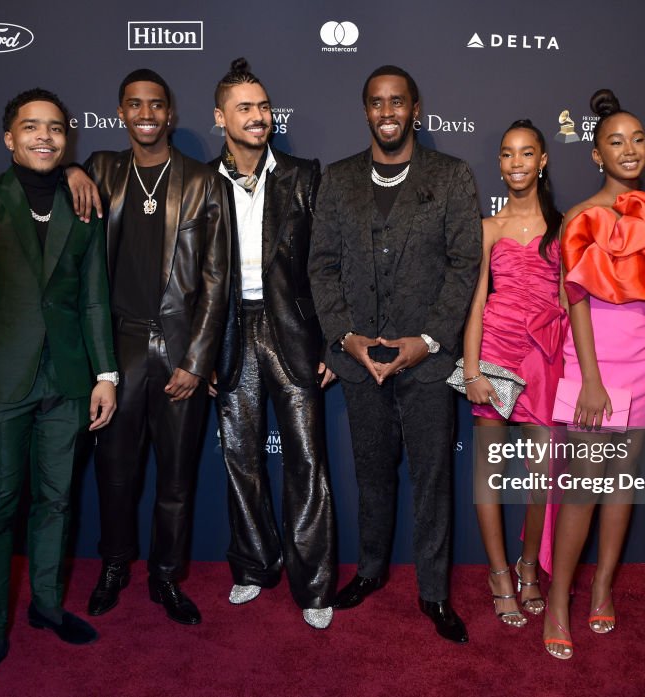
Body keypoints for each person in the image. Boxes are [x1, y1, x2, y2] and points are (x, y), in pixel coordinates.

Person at [0, 88, 118, 697]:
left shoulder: (84, 205)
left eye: (56, 128)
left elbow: (94, 297)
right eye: (31, 126)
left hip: (67, 382)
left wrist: (105, 374)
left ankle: (45, 604)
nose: (45, 136)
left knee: (56, 502)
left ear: (67, 138)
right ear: (8, 137)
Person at [309, 65, 481, 644]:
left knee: (433, 481)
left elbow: (464, 266)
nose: (387, 112)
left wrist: (429, 341)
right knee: (372, 475)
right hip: (359, 361)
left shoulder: (452, 177)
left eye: (397, 102)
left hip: (427, 362)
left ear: (415, 109)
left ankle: (434, 594)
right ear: (366, 112)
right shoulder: (337, 180)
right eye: (377, 103)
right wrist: (346, 338)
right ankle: (372, 570)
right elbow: (322, 266)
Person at [66, 69, 230, 625]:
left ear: (171, 114)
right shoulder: (101, 171)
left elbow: (215, 278)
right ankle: (114, 565)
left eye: (156, 105)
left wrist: (197, 359)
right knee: (115, 473)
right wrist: (68, 169)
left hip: (180, 349)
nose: (146, 114)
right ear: (120, 113)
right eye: (135, 104)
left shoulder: (203, 181)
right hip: (118, 348)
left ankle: (165, 576)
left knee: (177, 478)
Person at [543, 89, 645, 659]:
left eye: (637, 140)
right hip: (596, 365)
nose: (629, 150)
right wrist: (591, 380)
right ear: (596, 155)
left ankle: (602, 588)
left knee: (619, 491)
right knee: (585, 489)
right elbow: (575, 301)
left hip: (642, 361)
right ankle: (558, 601)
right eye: (615, 142)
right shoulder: (582, 217)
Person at [206, 58, 337, 629]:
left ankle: (314, 585)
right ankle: (255, 566)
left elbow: (331, 266)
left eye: (262, 107)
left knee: (307, 461)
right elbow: (188, 278)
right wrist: (200, 351)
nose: (258, 117)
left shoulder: (306, 175)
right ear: (220, 119)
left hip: (295, 333)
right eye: (245, 108)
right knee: (241, 459)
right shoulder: (200, 181)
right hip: (230, 333)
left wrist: (332, 340)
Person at [462, 120, 565, 628]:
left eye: (527, 154)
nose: (517, 163)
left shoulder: (565, 227)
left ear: (543, 161)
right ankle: (499, 572)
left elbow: (571, 305)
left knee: (541, 476)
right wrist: (472, 367)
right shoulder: (488, 228)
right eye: (508, 154)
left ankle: (529, 565)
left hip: (545, 360)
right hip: (496, 356)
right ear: (499, 164)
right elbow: (476, 303)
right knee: (491, 474)